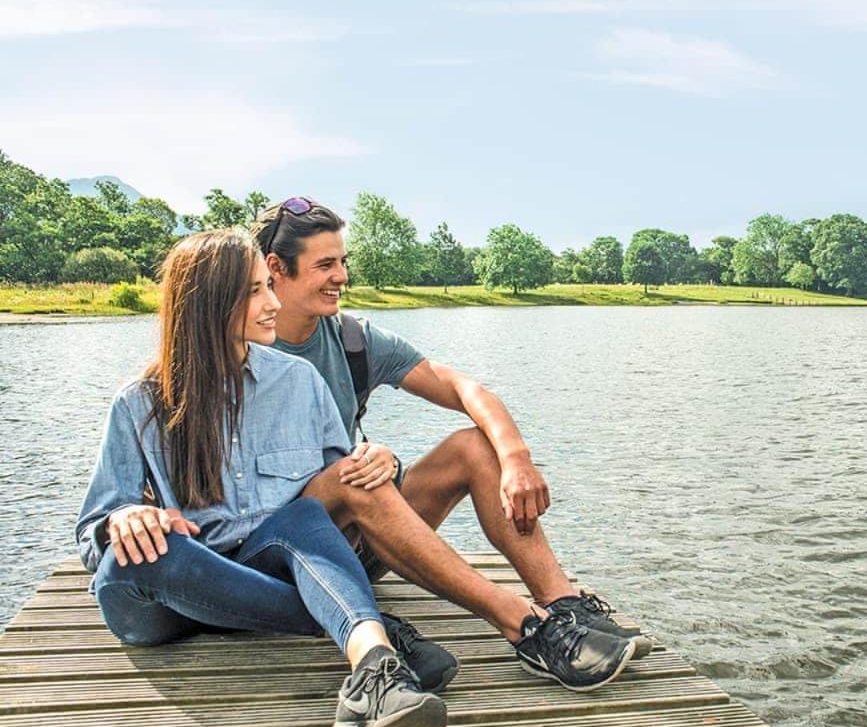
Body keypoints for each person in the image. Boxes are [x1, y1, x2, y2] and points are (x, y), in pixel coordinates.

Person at [250, 197, 649, 692]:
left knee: (473, 447)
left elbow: (464, 389)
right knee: (355, 475)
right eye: (325, 265)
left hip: (366, 535)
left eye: (343, 262)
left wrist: (516, 458)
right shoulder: (239, 346)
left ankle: (563, 607)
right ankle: (523, 626)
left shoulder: (353, 339)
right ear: (276, 269)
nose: (342, 277)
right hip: (286, 555)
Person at [76, 229, 446, 727]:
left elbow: (343, 493)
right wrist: (123, 518)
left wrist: (380, 460)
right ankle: (372, 625)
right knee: (135, 558)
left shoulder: (299, 381)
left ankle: (375, 667)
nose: (274, 303)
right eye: (254, 291)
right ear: (208, 303)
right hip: (173, 598)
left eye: (268, 286)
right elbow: (92, 527)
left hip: (263, 565)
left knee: (303, 518)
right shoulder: (138, 403)